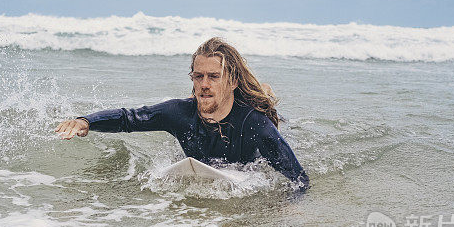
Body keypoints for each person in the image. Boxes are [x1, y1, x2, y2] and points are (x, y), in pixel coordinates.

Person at [56, 37, 309, 187]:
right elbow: (129, 118)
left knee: (266, 109)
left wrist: (285, 208)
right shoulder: (180, 113)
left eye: (213, 76)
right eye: (198, 77)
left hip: (250, 156)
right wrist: (86, 121)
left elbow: (299, 180)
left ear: (232, 81)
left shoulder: (255, 124)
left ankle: (263, 94)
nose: (204, 84)